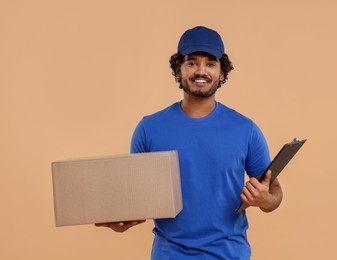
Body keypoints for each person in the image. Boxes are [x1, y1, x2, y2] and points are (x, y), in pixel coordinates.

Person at [96, 26, 283, 259]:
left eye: (210, 64)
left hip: (229, 254)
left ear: (222, 73)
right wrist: (119, 218)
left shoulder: (246, 130)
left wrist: (265, 200)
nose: (201, 71)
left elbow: (273, 191)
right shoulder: (149, 128)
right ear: (178, 71)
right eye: (192, 63)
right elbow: (137, 198)